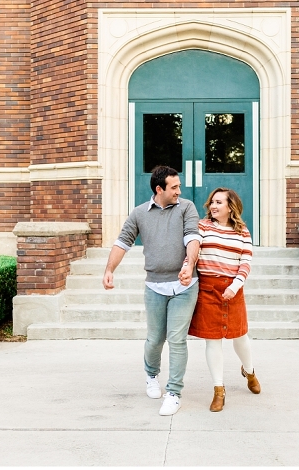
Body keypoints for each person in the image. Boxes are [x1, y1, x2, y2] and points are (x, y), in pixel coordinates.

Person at [102, 165, 201, 416]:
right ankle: (151, 375)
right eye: (174, 187)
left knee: (177, 339)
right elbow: (122, 242)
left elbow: (192, 238)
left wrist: (189, 265)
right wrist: (109, 270)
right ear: (159, 189)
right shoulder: (139, 214)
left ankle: (174, 392)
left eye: (179, 186)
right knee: (155, 338)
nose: (180, 190)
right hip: (154, 286)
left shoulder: (186, 208)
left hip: (184, 285)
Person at [188, 187, 260, 412]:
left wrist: (236, 285)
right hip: (208, 290)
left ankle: (249, 371)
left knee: (241, 338)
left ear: (231, 207)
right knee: (213, 340)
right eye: (212, 202)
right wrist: (186, 268)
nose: (213, 206)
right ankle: (219, 389)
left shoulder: (243, 232)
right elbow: (193, 252)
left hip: (233, 289)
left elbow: (246, 262)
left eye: (219, 202)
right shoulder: (202, 226)